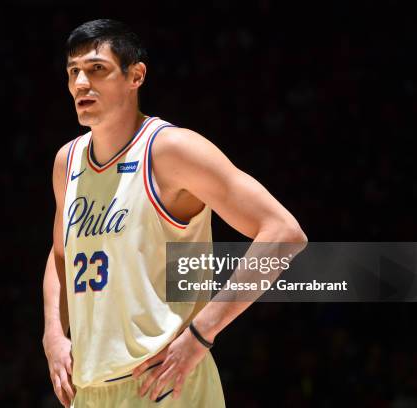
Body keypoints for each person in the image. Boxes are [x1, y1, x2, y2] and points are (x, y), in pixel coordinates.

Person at [42, 19, 307, 407]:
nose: (81, 83)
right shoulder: (68, 161)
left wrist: (201, 334)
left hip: (165, 384)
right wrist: (52, 333)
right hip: (91, 389)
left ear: (136, 76)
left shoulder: (170, 151)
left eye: (97, 69)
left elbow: (283, 233)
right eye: (73, 72)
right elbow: (61, 254)